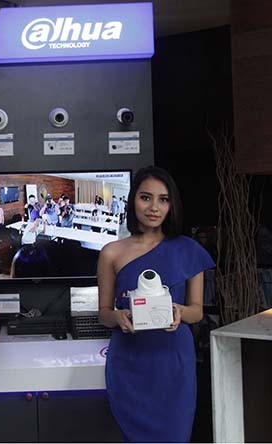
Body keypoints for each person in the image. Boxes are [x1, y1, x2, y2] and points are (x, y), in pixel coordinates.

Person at [97, 166, 214, 443]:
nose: (154, 207)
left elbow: (196, 311)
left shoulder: (188, 250)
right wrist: (118, 316)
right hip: (129, 362)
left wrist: (178, 312)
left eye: (163, 199)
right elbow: (103, 313)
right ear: (133, 201)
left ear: (172, 205)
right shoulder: (111, 253)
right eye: (145, 198)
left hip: (173, 363)